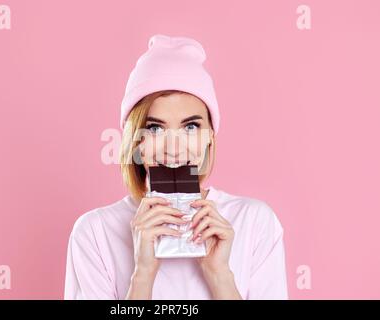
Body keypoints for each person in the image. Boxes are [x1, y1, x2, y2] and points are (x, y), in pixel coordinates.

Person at [64, 34, 288, 299]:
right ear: (136, 141)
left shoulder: (255, 223)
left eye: (191, 126)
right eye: (155, 128)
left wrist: (220, 275)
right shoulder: (95, 232)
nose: (173, 147)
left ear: (209, 138)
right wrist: (143, 274)